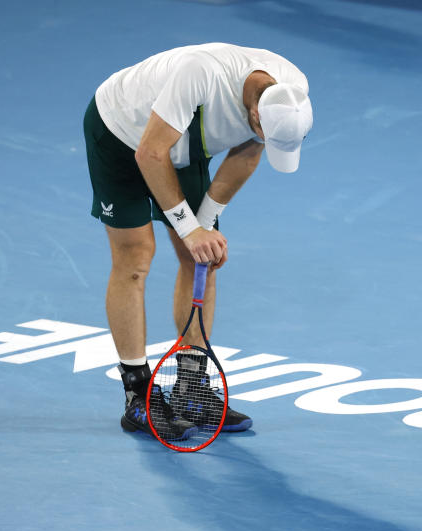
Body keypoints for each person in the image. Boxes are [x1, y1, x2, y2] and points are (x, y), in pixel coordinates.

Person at [82, 43, 313, 437]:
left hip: (182, 143)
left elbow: (247, 154)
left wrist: (202, 226)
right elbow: (150, 153)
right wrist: (189, 229)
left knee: (202, 258)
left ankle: (192, 389)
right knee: (135, 257)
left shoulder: (289, 92)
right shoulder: (200, 74)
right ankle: (137, 395)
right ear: (255, 113)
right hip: (122, 135)